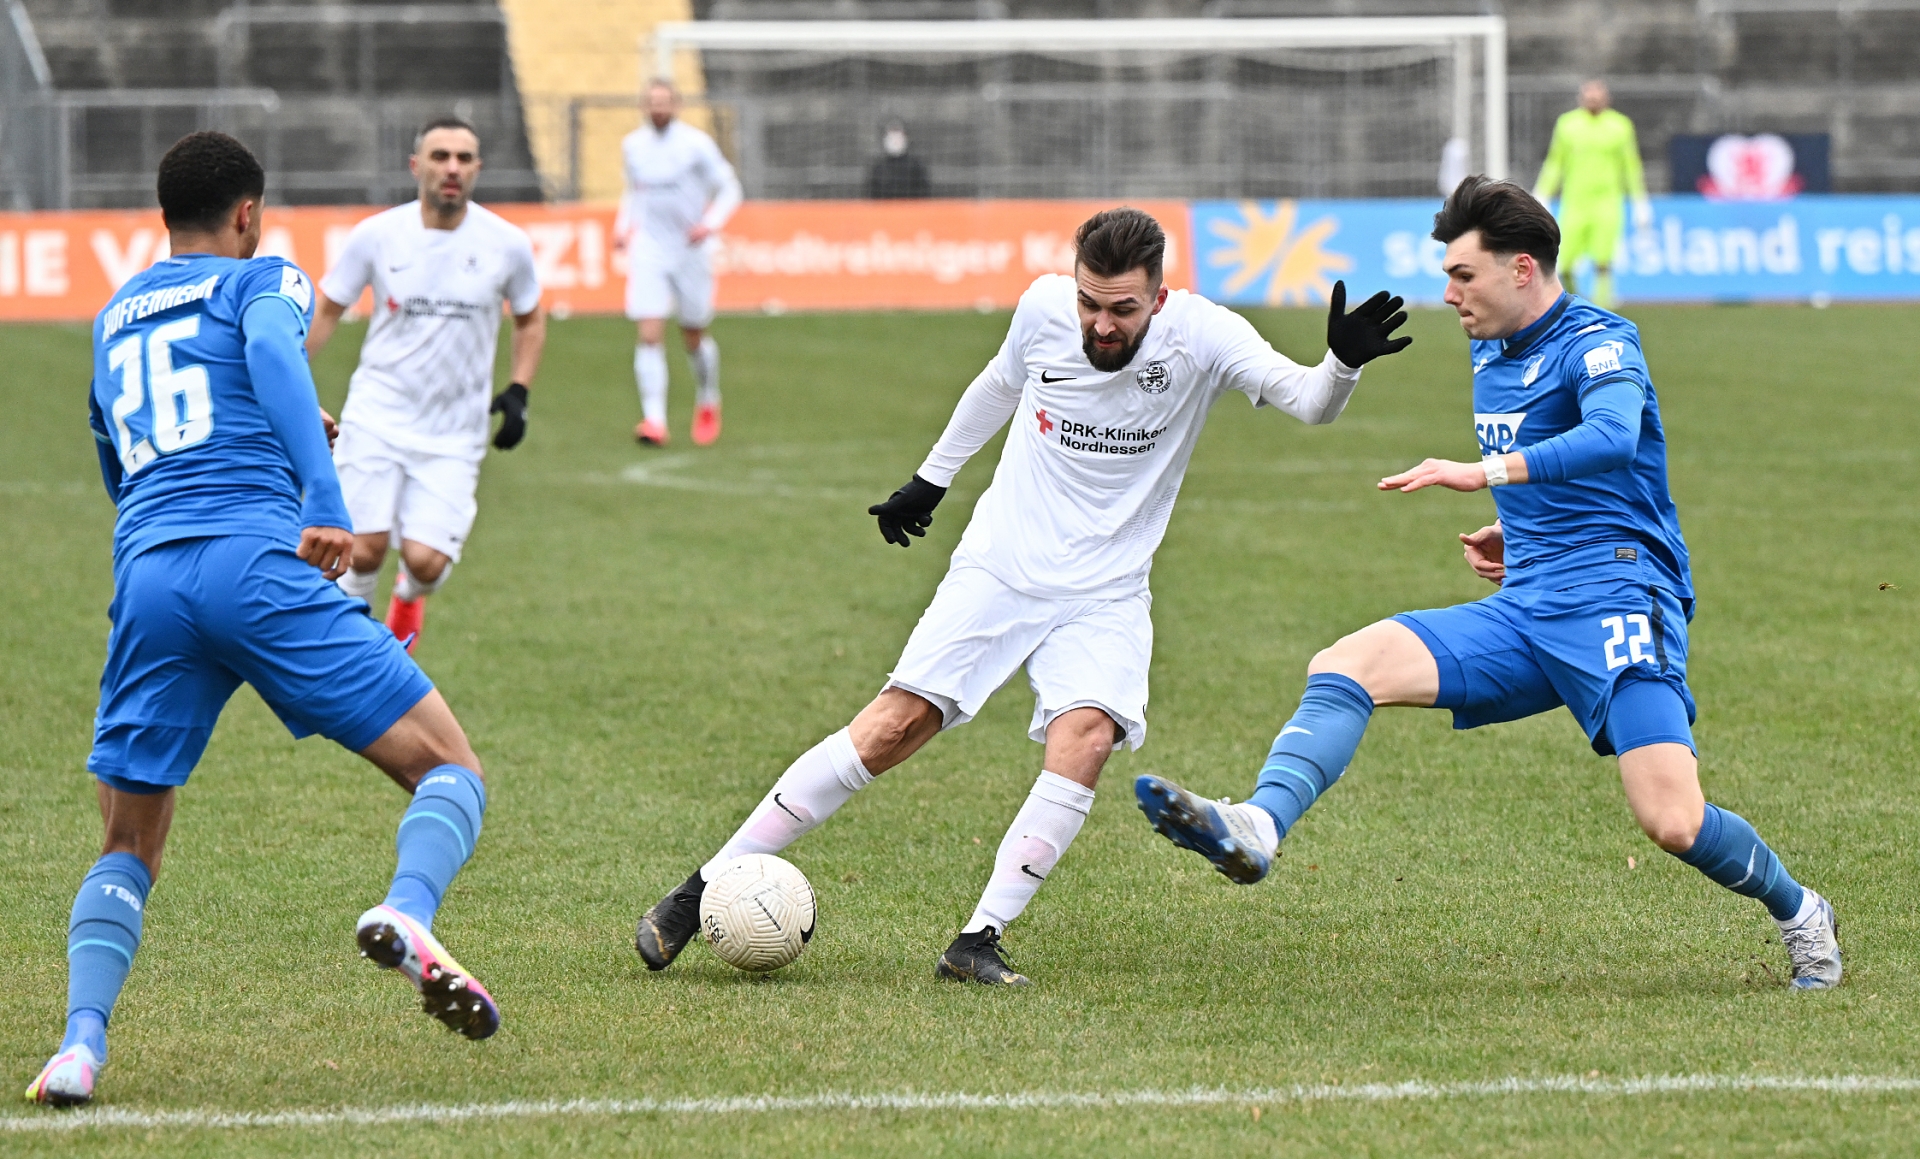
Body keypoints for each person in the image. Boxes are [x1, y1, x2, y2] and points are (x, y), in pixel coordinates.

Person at [632, 207, 1411, 985]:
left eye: (1122, 309)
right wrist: (929, 480)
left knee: (1088, 736)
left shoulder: (1205, 336)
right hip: (1002, 565)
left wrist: (1341, 363)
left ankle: (977, 938)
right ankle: (699, 888)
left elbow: (1310, 401)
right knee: (891, 728)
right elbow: (996, 385)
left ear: (1160, 299)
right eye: (1090, 303)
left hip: (1107, 589)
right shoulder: (1042, 309)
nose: (1100, 325)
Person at [1134, 177, 1842, 992]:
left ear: (1523, 269)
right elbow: (1567, 473)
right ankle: (1258, 824)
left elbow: (1614, 437)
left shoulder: (1601, 342)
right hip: (1528, 605)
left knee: (1673, 821)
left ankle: (1803, 913)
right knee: (1346, 661)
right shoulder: (1489, 352)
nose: (1448, 293)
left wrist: (1484, 473)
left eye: (1463, 275)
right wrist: (1522, 528)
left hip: (1617, 603)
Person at [26, 132, 500, 1109]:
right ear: (248, 213)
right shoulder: (262, 280)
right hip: (259, 563)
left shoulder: (116, 313)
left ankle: (78, 1046)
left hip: (152, 577)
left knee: (126, 843)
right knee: (448, 765)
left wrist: (250, 459)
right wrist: (321, 495)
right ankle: (406, 909)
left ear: (167, 215)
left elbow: (122, 456)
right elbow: (273, 355)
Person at [306, 116, 545, 653]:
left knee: (425, 561)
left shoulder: (507, 244)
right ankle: (356, 648)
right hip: (378, 413)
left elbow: (530, 318)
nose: (452, 168)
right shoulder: (377, 235)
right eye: (440, 156)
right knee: (362, 549)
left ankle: (410, 595)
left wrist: (519, 391)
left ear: (478, 169)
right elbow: (329, 307)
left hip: (454, 428)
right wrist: (290, 377)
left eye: (464, 158)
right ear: (417, 166)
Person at [616, 78, 741, 448]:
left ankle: (707, 397)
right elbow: (632, 192)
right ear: (644, 105)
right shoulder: (633, 146)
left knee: (692, 335)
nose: (658, 107)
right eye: (651, 101)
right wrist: (624, 228)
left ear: (676, 105)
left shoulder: (695, 145)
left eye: (664, 101)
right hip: (650, 249)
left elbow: (731, 188)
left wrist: (710, 224)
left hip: (690, 250)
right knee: (649, 333)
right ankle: (654, 420)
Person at [1533, 79, 1652, 309]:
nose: (1592, 101)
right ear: (1581, 99)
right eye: (1589, 97)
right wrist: (1543, 193)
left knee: (1603, 259)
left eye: (1597, 97)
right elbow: (1555, 162)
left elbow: (1631, 167)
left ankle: (1603, 305)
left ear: (1606, 99)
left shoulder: (1620, 126)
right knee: (1564, 261)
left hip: (1607, 201)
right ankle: (1573, 301)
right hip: (1575, 202)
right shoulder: (1567, 125)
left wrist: (1640, 201)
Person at [868, 120, 932, 200]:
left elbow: (923, 192)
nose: (895, 141)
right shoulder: (878, 168)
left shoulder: (916, 166)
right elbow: (872, 195)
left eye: (898, 137)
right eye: (892, 137)